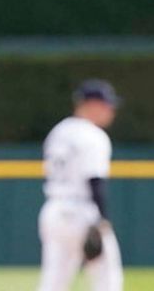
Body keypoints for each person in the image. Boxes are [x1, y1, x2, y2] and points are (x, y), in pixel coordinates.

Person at [37, 79, 122, 291]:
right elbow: (95, 181)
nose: (111, 110)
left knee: (53, 283)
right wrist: (103, 220)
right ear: (91, 104)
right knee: (107, 280)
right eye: (107, 105)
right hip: (82, 211)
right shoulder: (93, 136)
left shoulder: (59, 131)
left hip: (54, 210)